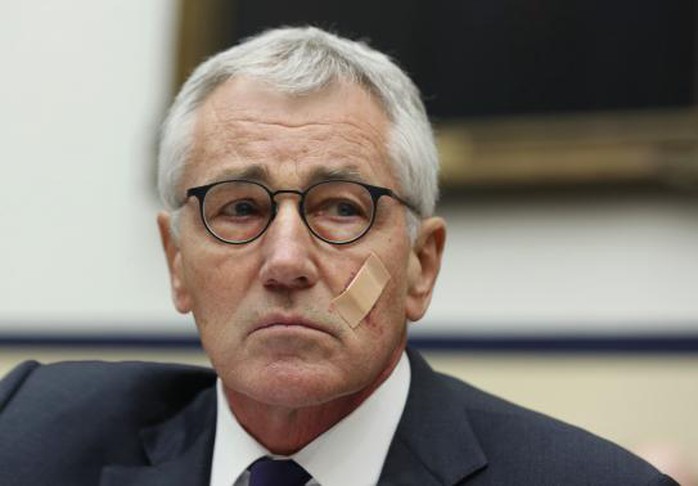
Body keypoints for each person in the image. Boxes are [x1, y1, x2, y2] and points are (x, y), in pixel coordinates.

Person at [0, 27, 677, 486]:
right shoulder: (31, 435)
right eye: (239, 209)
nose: (286, 261)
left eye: (341, 209)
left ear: (420, 265)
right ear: (177, 262)